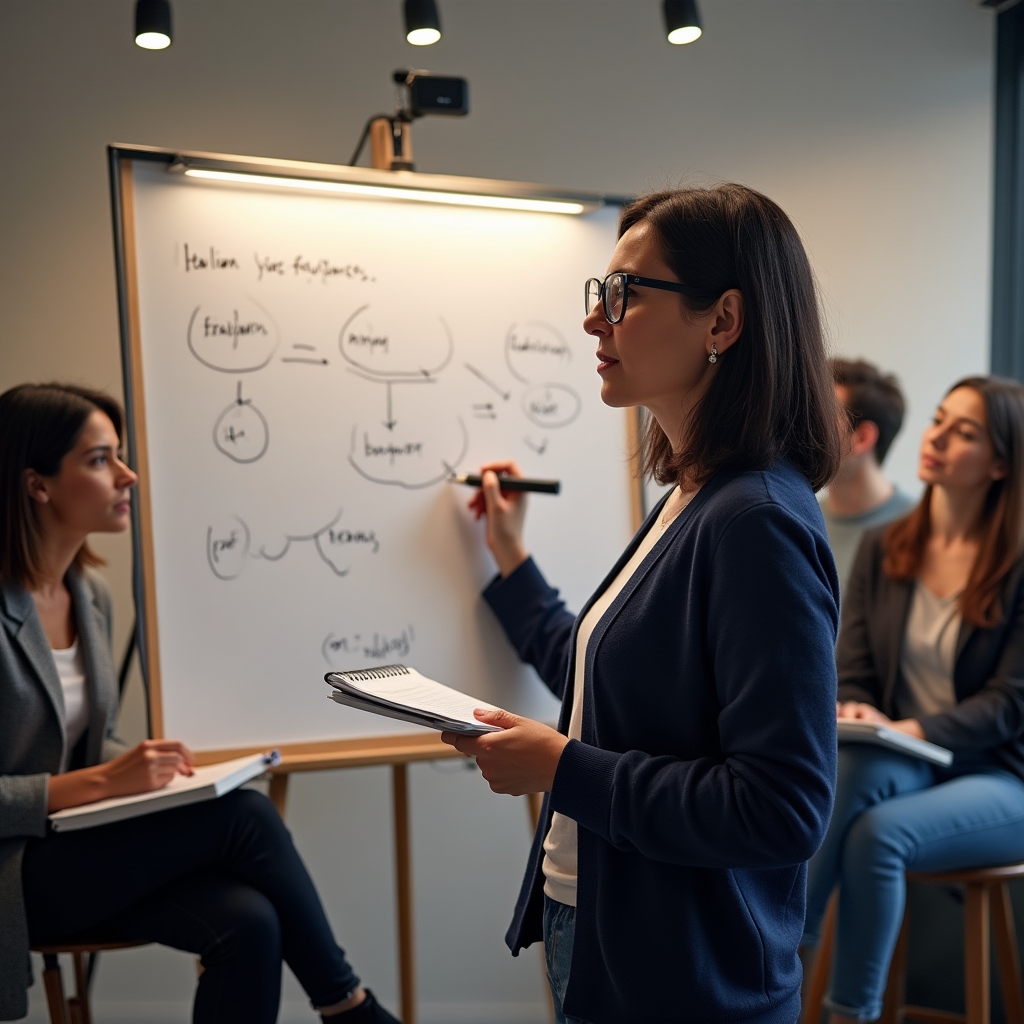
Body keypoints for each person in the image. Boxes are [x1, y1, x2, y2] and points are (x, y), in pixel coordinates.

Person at [441, 184, 845, 1024]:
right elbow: (611, 681)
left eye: (624, 294)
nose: (597, 321)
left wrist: (562, 768)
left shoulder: (756, 520)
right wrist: (510, 559)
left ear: (722, 322)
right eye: (601, 294)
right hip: (608, 934)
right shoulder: (697, 496)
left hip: (687, 974)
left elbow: (782, 808)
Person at [0, 383, 400, 1024]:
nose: (128, 475)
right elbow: (71, 774)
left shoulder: (89, 594)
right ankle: (348, 1007)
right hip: (14, 875)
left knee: (251, 921)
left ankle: (346, 1007)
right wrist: (105, 777)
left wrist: (151, 772)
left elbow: (70, 743)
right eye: (101, 459)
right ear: (37, 484)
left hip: (74, 854)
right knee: (244, 813)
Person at [802, 375, 1024, 1024]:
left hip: (1001, 775)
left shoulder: (1016, 565)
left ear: (1002, 461)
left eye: (965, 433)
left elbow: (1010, 705)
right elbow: (856, 666)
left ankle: (821, 986)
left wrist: (909, 726)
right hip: (910, 756)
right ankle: (785, 945)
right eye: (938, 421)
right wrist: (862, 709)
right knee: (861, 764)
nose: (937, 439)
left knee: (879, 836)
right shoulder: (886, 545)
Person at [820, 358, 916, 591]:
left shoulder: (918, 527)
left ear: (862, 438)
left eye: (822, 415)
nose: (805, 426)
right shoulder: (803, 517)